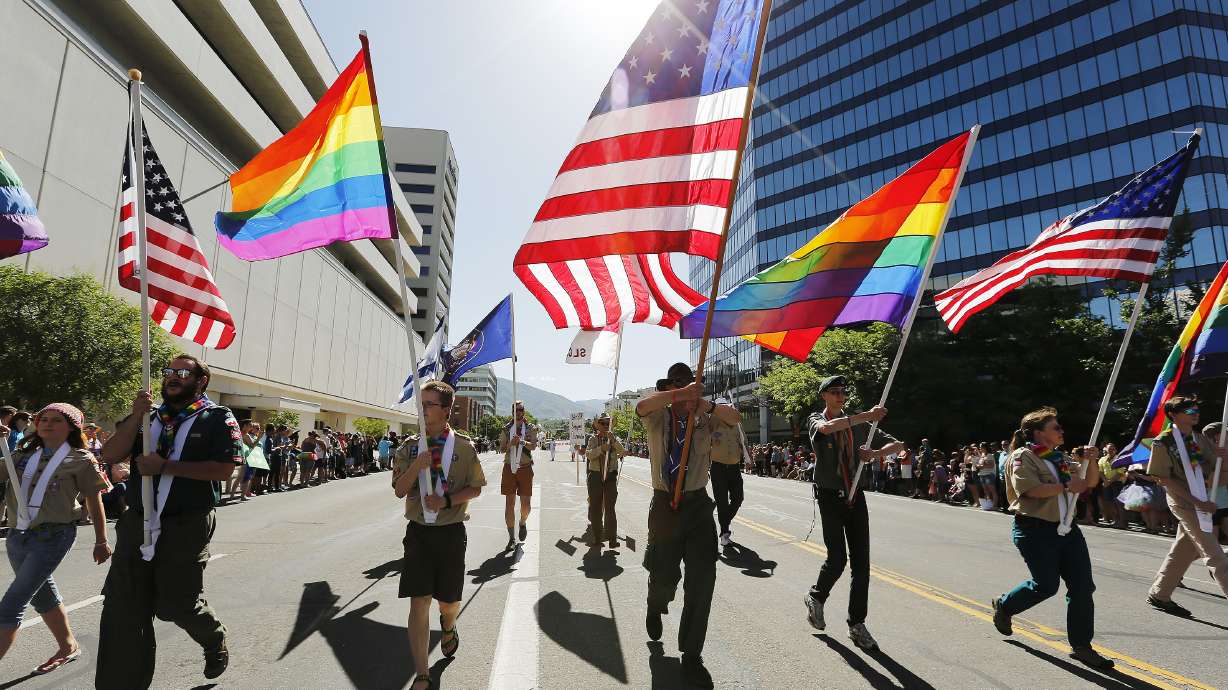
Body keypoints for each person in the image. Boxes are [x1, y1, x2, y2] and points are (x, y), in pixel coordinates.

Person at [95, 354, 242, 688]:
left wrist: (165, 467)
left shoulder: (216, 417)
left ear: (200, 380)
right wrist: (136, 416)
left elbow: (223, 469)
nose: (173, 377)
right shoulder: (148, 418)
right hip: (137, 521)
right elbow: (111, 454)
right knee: (124, 608)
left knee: (177, 604)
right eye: (169, 372)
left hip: (185, 523)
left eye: (182, 373)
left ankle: (212, 636)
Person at [637, 362, 740, 688]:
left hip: (697, 505)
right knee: (664, 575)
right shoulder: (659, 414)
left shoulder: (704, 418)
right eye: (678, 383)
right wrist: (677, 394)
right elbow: (642, 406)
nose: (685, 388)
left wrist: (704, 404)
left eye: (691, 383)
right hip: (666, 503)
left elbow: (735, 419)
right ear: (669, 386)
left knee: (702, 579)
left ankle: (692, 652)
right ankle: (656, 606)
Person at [991, 406, 1112, 670]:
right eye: (1055, 427)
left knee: (1082, 587)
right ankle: (1005, 605)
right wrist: (1067, 486)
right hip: (1035, 530)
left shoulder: (1059, 458)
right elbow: (1030, 490)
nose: (1061, 431)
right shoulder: (1023, 457)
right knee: (1046, 585)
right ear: (1038, 433)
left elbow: (1088, 482)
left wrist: (1091, 460)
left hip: (1067, 529)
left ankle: (1082, 646)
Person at [0, 404, 110, 674]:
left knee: (12, 603)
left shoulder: (81, 459)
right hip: (17, 535)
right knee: (42, 596)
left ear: (71, 426)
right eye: (43, 419)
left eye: (56, 420)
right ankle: (68, 646)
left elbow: (94, 502)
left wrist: (101, 540)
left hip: (54, 536)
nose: (47, 424)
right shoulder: (20, 455)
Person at [392, 381, 486, 690]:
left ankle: (448, 625)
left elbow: (475, 487)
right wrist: (417, 465)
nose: (422, 409)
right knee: (419, 601)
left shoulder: (463, 447)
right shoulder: (409, 446)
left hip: (450, 533)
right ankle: (422, 672)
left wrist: (446, 500)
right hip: (419, 533)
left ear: (446, 411)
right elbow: (399, 490)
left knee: (448, 602)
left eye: (429, 404)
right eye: (421, 403)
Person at [802, 375, 902, 652]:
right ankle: (816, 597)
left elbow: (898, 445)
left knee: (862, 565)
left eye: (843, 392)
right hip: (830, 497)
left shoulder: (862, 426)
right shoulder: (816, 419)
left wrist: (875, 453)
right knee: (837, 559)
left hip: (855, 496)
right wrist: (865, 416)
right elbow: (827, 429)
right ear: (824, 395)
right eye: (834, 392)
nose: (839, 396)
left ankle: (857, 623)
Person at [1144, 396, 1228, 617]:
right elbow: (1164, 480)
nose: (1195, 412)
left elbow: (1215, 471)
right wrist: (1199, 502)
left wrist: (1224, 457)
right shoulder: (1163, 442)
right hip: (1184, 503)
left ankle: (1159, 594)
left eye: (1196, 408)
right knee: (1215, 555)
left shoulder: (1199, 439)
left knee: (1183, 550)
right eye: (1188, 409)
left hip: (1203, 500)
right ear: (1173, 415)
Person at [498, 402, 537, 549]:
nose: (518, 412)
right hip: (509, 467)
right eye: (515, 410)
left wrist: (520, 441)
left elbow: (533, 446)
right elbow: (502, 449)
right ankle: (511, 538)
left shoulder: (531, 428)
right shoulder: (506, 428)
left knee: (526, 505)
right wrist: (510, 444)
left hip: (525, 468)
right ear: (512, 411)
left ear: (524, 411)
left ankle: (522, 522)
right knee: (510, 504)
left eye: (520, 410)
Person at [708, 398, 745, 548]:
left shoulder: (737, 425)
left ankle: (724, 522)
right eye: (722, 408)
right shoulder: (713, 422)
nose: (725, 410)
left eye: (727, 407)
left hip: (734, 467)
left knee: (738, 499)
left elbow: (742, 443)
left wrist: (746, 456)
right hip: (718, 467)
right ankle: (724, 533)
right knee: (722, 503)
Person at [585, 413, 624, 548]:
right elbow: (589, 454)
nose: (606, 426)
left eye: (608, 423)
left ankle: (612, 539)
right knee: (596, 508)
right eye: (603, 423)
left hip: (610, 477)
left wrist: (613, 441)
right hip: (595, 476)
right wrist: (601, 449)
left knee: (610, 508)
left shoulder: (614, 438)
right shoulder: (593, 439)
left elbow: (623, 452)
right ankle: (597, 537)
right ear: (598, 425)